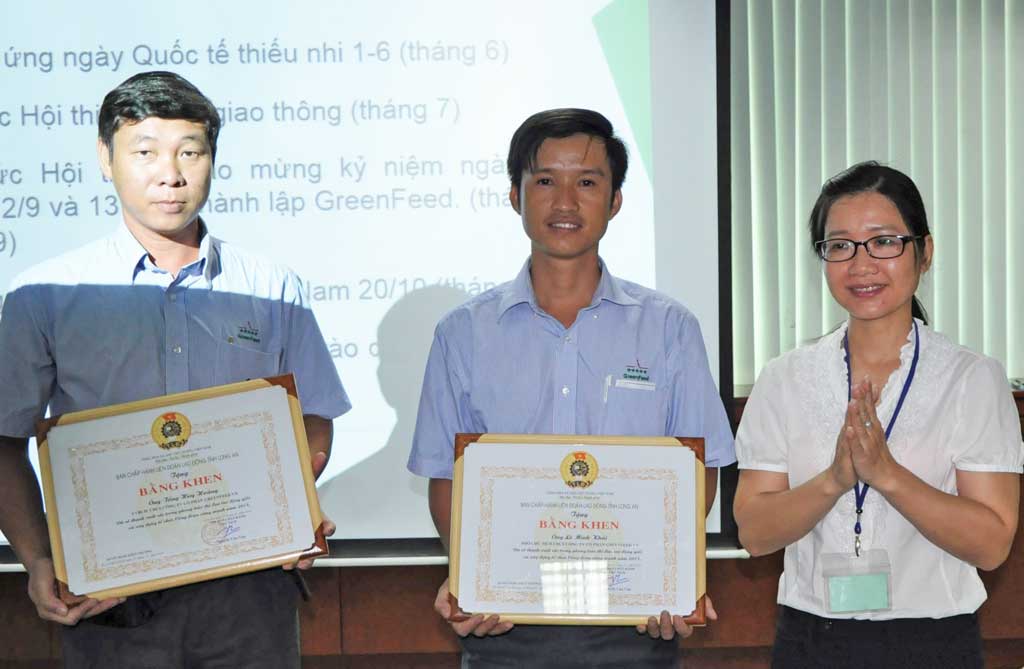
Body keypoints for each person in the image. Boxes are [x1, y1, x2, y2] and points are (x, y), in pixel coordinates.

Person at [0, 71, 350, 668]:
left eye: (191, 152)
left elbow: (313, 416)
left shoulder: (271, 286)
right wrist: (37, 560)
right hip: (108, 594)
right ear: (106, 159)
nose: (171, 174)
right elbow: (5, 441)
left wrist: (294, 501)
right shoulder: (43, 295)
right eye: (145, 152)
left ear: (212, 158)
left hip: (248, 589)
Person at [407, 108, 736, 668]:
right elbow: (447, 477)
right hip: (505, 628)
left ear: (615, 201)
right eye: (544, 181)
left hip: (635, 625)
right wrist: (473, 577)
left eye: (586, 182)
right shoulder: (462, 333)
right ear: (515, 196)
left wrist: (671, 572)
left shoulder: (669, 328)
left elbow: (697, 467)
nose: (565, 202)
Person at [733, 162, 1022, 668]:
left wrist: (887, 475)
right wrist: (834, 480)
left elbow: (992, 544)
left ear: (924, 252)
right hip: (810, 639)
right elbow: (755, 534)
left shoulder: (972, 378)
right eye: (840, 245)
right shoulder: (784, 378)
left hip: (934, 640)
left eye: (884, 242)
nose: (861, 264)